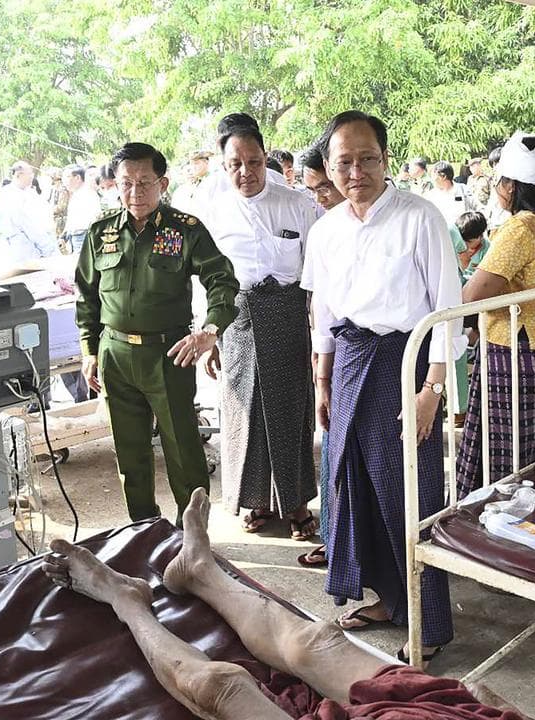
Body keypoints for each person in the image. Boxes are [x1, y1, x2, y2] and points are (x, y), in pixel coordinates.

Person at [41, 489, 525, 720]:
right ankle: (199, 568)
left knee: (221, 687)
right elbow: (486, 694)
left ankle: (125, 600)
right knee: (318, 639)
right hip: (435, 714)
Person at [301, 111, 464, 662]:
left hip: (406, 364)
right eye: (343, 161)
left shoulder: (420, 219)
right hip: (347, 362)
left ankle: (429, 620)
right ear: (328, 166)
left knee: (408, 492)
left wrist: (432, 390)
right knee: (354, 485)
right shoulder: (324, 230)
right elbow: (322, 312)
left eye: (366, 158)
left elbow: (447, 309)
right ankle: (386, 599)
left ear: (385, 158)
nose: (355, 171)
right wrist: (322, 381)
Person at [75, 142, 239, 523]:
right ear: (114, 184)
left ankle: (192, 533)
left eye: (145, 182)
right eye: (126, 183)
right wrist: (89, 350)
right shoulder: (100, 234)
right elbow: (86, 296)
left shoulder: (186, 231)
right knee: (130, 454)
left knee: (183, 451)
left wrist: (209, 331)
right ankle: (143, 529)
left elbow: (222, 281)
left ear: (163, 183)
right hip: (114, 354)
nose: (136, 192)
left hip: (169, 355)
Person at [201, 117, 318, 539]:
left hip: (287, 315)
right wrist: (209, 334)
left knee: (291, 413)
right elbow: (206, 280)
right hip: (237, 319)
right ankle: (256, 502)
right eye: (235, 164)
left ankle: (299, 504)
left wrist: (319, 337)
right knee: (243, 414)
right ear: (223, 163)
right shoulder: (211, 210)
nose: (245, 173)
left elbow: (317, 273)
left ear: (265, 157)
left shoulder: (297, 204)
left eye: (253, 161)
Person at [454, 132, 535, 497]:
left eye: (499, 181)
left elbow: (474, 295)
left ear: (510, 187)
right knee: (533, 451)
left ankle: (493, 531)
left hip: (514, 357)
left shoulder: (520, 228)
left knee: (504, 457)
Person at [295, 145, 347, 570]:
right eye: (314, 190)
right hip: (334, 352)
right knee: (332, 452)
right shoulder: (325, 230)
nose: (322, 197)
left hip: (380, 356)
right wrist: (321, 366)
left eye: (325, 188)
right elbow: (320, 304)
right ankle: (333, 538)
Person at [424, 161, 477, 226]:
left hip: (463, 232)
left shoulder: (463, 190)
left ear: (443, 176)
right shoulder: (430, 196)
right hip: (442, 232)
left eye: (433, 176)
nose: (432, 180)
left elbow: (476, 209)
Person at [63, 165, 102, 253]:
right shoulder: (76, 194)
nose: (64, 181)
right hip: (74, 237)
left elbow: (94, 220)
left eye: (67, 177)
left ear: (77, 177)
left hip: (83, 236)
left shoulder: (88, 194)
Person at [452, 210, 489, 283]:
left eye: (469, 242)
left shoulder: (487, 249)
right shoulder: (457, 246)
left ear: (481, 237)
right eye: (462, 241)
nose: (464, 245)